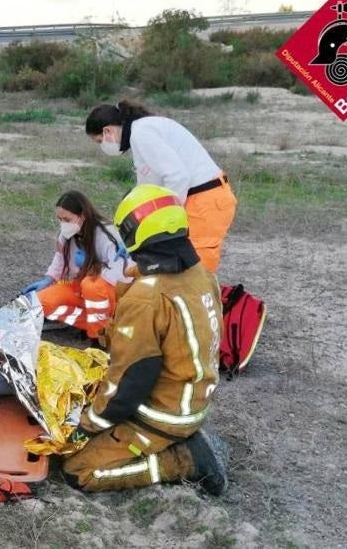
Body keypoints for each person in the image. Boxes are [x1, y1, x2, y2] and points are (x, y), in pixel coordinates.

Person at [62, 184, 229, 496]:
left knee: (80, 470)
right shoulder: (202, 276)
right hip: (191, 399)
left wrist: (88, 425)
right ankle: (183, 441)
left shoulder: (146, 299)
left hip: (161, 415)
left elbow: (131, 381)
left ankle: (184, 460)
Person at [85, 100, 237, 274]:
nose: (102, 146)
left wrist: (167, 218)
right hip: (198, 199)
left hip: (205, 202)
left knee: (197, 274)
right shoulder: (140, 134)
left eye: (99, 141)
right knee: (181, 268)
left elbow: (178, 177)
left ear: (107, 131)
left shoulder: (141, 133)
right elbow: (147, 187)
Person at [20, 191, 130, 343]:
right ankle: (96, 324)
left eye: (67, 219)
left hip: (108, 292)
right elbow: (59, 258)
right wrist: (49, 278)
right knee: (42, 302)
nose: (63, 224)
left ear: (83, 216)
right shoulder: (67, 234)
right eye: (60, 219)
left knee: (91, 286)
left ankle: (99, 337)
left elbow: (121, 272)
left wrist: (95, 271)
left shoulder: (107, 234)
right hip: (81, 288)